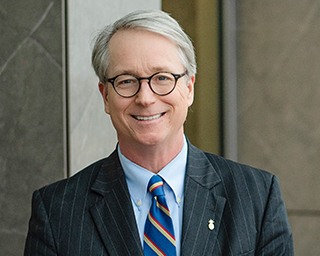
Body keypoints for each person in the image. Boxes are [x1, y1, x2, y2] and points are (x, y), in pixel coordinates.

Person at [24, 9, 294, 255]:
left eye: (162, 78)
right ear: (105, 96)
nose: (145, 98)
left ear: (189, 88)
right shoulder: (57, 211)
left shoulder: (257, 197)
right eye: (127, 81)